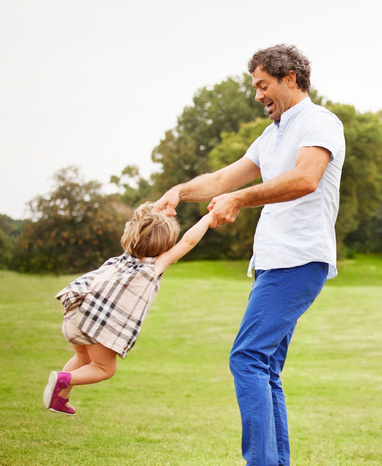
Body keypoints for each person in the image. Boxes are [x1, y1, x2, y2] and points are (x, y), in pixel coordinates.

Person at [154, 44, 345, 465]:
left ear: (290, 79)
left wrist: (239, 201)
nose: (258, 95)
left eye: (263, 85)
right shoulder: (271, 133)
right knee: (265, 368)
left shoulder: (318, 121)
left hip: (297, 260)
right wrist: (179, 192)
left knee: (247, 358)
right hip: (274, 263)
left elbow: (306, 178)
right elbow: (224, 178)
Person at [43, 202, 213, 416]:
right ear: (165, 245)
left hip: (77, 312)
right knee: (105, 368)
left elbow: (142, 221)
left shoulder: (125, 256)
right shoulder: (153, 267)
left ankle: (60, 397)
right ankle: (63, 379)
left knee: (82, 360)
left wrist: (159, 210)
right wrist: (209, 218)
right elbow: (188, 241)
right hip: (95, 324)